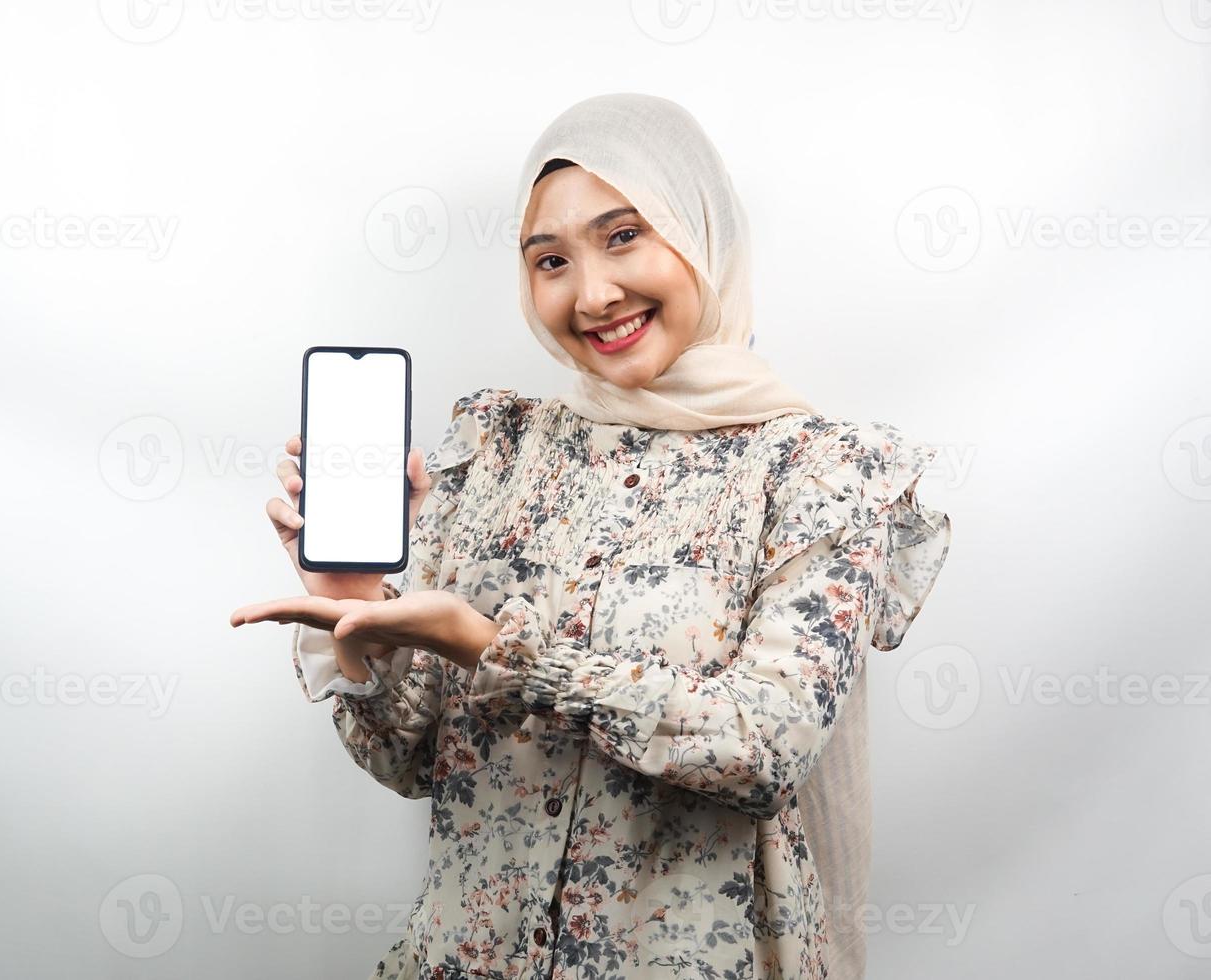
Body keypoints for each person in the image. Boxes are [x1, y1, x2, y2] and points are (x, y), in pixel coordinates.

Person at [232, 92, 952, 980]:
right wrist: (354, 618)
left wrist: (497, 648)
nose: (593, 293)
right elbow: (409, 762)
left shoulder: (820, 472)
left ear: (701, 232)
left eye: (623, 236)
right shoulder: (499, 450)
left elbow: (762, 746)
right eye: (550, 260)